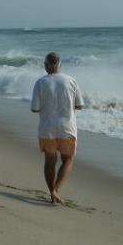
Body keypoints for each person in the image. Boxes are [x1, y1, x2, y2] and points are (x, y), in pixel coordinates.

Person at [31, 52, 84, 204]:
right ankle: (56, 190)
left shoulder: (40, 82)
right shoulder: (71, 81)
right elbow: (79, 105)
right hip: (67, 128)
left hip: (47, 128)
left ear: (46, 66)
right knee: (68, 159)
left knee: (49, 161)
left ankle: (51, 192)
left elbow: (34, 108)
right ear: (60, 65)